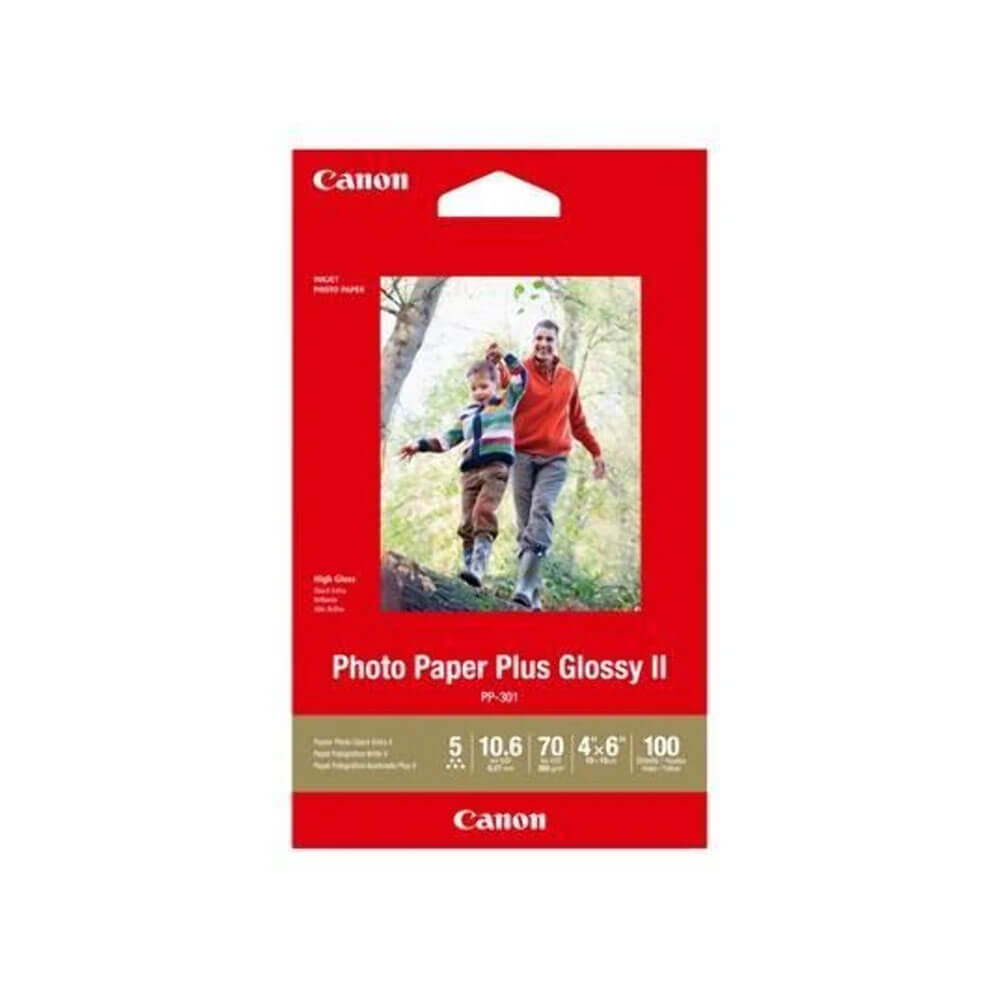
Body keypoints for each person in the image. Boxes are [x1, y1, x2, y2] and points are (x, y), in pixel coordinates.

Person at [490, 320, 604, 608]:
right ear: (533, 341)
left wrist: (596, 452)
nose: (543, 344)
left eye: (549, 339)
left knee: (541, 511)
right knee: (525, 525)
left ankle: (524, 587)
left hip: (555, 460)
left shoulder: (568, 378)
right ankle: (533, 595)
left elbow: (577, 422)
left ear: (557, 343)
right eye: (539, 338)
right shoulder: (522, 371)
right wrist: (496, 364)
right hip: (522, 456)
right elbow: (503, 383)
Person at [398, 351, 528, 587]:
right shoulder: (467, 414)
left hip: (495, 469)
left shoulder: (504, 401)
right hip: (469, 474)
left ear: (496, 383)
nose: (479, 392)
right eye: (474, 388)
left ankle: (479, 566)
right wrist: (419, 445)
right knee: (467, 522)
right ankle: (469, 569)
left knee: (483, 512)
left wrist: (505, 358)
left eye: (484, 386)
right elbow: (447, 439)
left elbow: (520, 378)